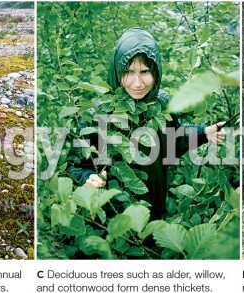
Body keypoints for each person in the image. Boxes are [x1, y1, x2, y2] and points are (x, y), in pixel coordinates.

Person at [67, 28, 226, 220]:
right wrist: (86, 178)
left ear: (156, 71)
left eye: (145, 72)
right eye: (128, 72)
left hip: (153, 207)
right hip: (111, 215)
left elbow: (174, 139)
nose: (138, 83)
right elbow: (74, 166)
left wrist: (203, 133)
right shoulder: (97, 115)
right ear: (117, 70)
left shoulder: (161, 105)